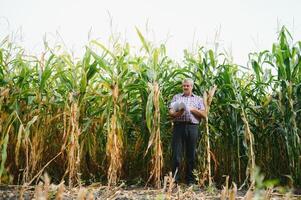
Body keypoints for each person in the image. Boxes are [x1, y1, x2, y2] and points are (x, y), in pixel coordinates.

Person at [169, 78, 206, 185]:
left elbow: (204, 114)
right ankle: (175, 180)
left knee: (191, 155)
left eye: (187, 85)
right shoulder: (177, 97)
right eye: (184, 85)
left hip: (192, 127)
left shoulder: (198, 99)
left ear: (192, 87)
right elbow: (171, 112)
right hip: (178, 127)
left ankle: (191, 180)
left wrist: (192, 109)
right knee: (176, 154)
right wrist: (178, 113)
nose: (185, 87)